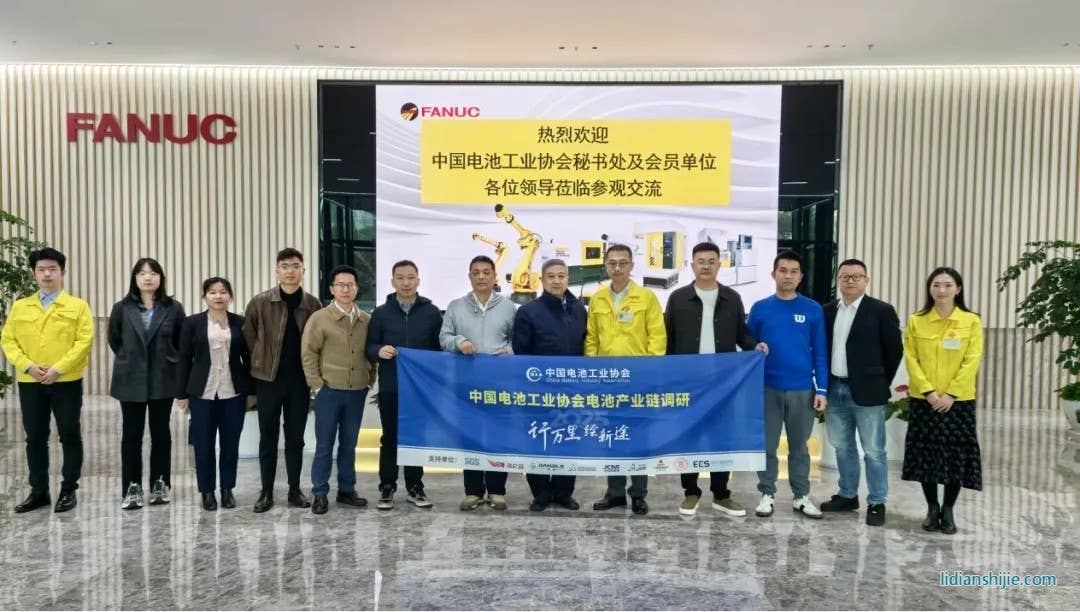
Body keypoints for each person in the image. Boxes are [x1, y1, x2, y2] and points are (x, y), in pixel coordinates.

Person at [665, 242, 767, 517]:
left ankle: (721, 494)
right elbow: (668, 340)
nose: (706, 266)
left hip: (723, 383)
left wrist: (754, 345)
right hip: (688, 382)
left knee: (722, 436)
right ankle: (691, 492)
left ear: (719, 265)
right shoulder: (677, 298)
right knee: (690, 435)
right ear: (692, 265)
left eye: (711, 261)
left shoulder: (732, 298)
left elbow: (742, 334)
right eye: (701, 261)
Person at [1, 247, 94, 513]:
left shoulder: (78, 306)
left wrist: (59, 369)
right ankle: (39, 491)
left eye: (53, 269)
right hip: (30, 382)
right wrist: (27, 366)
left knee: (69, 434)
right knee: (35, 437)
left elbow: (84, 342)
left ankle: (68, 489)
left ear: (62, 272)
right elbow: (8, 340)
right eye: (41, 269)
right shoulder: (21, 306)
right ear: (34, 274)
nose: (47, 274)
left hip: (66, 381)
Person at [820, 259, 903, 526]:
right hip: (834, 388)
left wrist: (879, 381)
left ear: (866, 280)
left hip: (868, 391)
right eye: (845, 276)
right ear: (838, 280)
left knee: (874, 450)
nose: (850, 281)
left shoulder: (881, 311)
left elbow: (894, 351)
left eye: (856, 276)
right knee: (842, 446)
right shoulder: (827, 311)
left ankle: (877, 501)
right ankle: (847, 495)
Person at [901, 267, 984, 535]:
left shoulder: (971, 321)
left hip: (958, 401)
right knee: (926, 454)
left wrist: (951, 394)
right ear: (929, 289)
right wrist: (928, 392)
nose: (941, 290)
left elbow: (972, 359)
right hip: (925, 400)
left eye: (948, 285)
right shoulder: (917, 320)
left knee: (955, 456)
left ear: (958, 289)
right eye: (936, 285)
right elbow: (911, 358)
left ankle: (948, 509)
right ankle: (932, 507)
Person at [585, 244, 666, 516]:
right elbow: (592, 339)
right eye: (612, 263)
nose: (617, 267)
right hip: (607, 382)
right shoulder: (597, 299)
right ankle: (615, 492)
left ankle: (639, 494)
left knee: (639, 439)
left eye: (623, 262)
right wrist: (594, 374)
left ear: (631, 265)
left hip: (638, 382)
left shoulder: (647, 297)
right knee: (612, 438)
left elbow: (657, 339)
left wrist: (649, 376)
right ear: (605, 266)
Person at [747, 250, 827, 519]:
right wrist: (755, 347)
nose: (788, 276)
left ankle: (801, 496)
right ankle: (767, 493)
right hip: (767, 388)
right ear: (773, 274)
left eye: (794, 271)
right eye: (783, 270)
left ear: (801, 276)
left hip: (802, 389)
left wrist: (822, 389)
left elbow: (820, 353)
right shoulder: (760, 308)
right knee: (767, 445)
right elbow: (748, 346)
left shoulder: (812, 309)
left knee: (800, 447)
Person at [242, 248, 323, 513]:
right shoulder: (260, 302)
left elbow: (318, 342)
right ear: (277, 271)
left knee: (295, 438)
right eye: (285, 266)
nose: (290, 271)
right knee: (268, 436)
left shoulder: (313, 305)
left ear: (303, 271)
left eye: (296, 266)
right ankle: (266, 491)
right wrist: (259, 362)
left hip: (299, 381)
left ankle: (294, 490)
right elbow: (249, 338)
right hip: (268, 380)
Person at [107, 258, 187, 510]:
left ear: (161, 278)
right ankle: (131, 487)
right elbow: (115, 340)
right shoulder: (122, 308)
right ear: (135, 278)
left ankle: (160, 483)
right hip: (130, 380)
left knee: (161, 433)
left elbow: (181, 342)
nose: (148, 277)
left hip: (162, 379)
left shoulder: (173, 308)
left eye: (153, 273)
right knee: (131, 435)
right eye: (142, 273)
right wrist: (131, 360)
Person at [439, 255, 517, 511]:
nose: (481, 277)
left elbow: (517, 340)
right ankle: (473, 491)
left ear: (494, 276)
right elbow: (444, 337)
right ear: (469, 276)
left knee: (498, 437)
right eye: (476, 272)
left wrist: (509, 350)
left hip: (499, 385)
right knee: (470, 436)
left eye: (486, 272)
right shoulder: (455, 307)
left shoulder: (509, 307)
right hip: (466, 385)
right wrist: (459, 342)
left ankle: (496, 491)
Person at [512, 259, 587, 512]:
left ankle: (564, 493)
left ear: (568, 279)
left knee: (569, 440)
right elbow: (521, 352)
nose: (557, 281)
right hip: (538, 390)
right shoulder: (528, 312)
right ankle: (541, 494)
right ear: (542, 280)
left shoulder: (579, 309)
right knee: (537, 440)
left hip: (572, 390)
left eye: (561, 276)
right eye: (551, 276)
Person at [367, 260, 443, 510]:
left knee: (416, 437)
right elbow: (369, 347)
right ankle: (387, 487)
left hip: (420, 388)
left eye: (411, 278)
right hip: (391, 386)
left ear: (418, 280)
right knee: (389, 437)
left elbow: (439, 350)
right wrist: (379, 350)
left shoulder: (432, 313)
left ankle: (415, 487)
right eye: (400, 278)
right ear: (392, 282)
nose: (406, 283)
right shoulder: (381, 313)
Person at [301, 265, 375, 515]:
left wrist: (370, 380)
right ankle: (320, 492)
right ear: (332, 289)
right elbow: (309, 353)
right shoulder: (319, 318)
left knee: (349, 444)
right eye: (340, 285)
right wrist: (317, 385)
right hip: (329, 391)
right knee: (325, 444)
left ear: (357, 288)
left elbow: (371, 353)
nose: (345, 289)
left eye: (350, 285)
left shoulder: (366, 320)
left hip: (357, 391)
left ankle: (346, 489)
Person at [175, 277, 252, 511]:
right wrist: (181, 393)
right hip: (202, 393)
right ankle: (207, 491)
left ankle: (227, 489)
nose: (218, 296)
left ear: (231, 296)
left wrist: (251, 391)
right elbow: (183, 359)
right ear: (204, 297)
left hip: (233, 393)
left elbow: (249, 359)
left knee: (230, 444)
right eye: (212, 292)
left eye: (223, 292)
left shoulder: (240, 323)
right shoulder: (192, 323)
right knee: (203, 444)